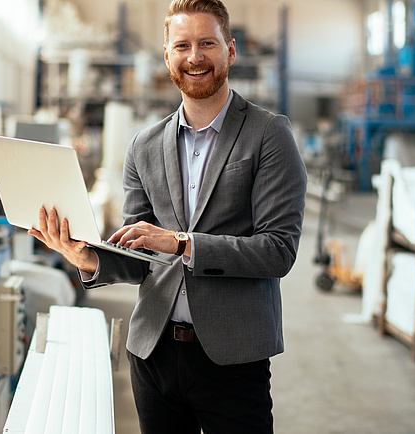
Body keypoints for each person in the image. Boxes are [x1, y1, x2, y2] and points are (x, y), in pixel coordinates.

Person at [29, 0, 307, 432]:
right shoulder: (144, 145)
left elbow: (277, 251)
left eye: (207, 44)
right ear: (167, 56)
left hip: (233, 358)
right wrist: (86, 258)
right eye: (182, 45)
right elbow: (141, 255)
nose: (194, 57)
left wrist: (180, 242)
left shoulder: (268, 134)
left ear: (230, 51)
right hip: (153, 355)